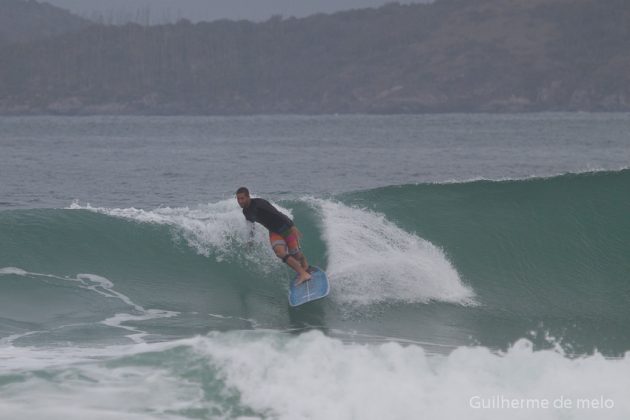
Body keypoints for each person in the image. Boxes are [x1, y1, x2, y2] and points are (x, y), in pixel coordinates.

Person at [236, 187, 312, 284]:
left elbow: (277, 213)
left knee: (296, 256)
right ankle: (303, 273)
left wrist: (292, 225)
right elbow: (251, 225)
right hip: (274, 232)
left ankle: (305, 265)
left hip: (285, 228)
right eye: (238, 199)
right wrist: (251, 240)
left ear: (248, 197)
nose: (240, 201)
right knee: (279, 252)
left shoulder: (259, 204)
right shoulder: (246, 212)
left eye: (242, 198)